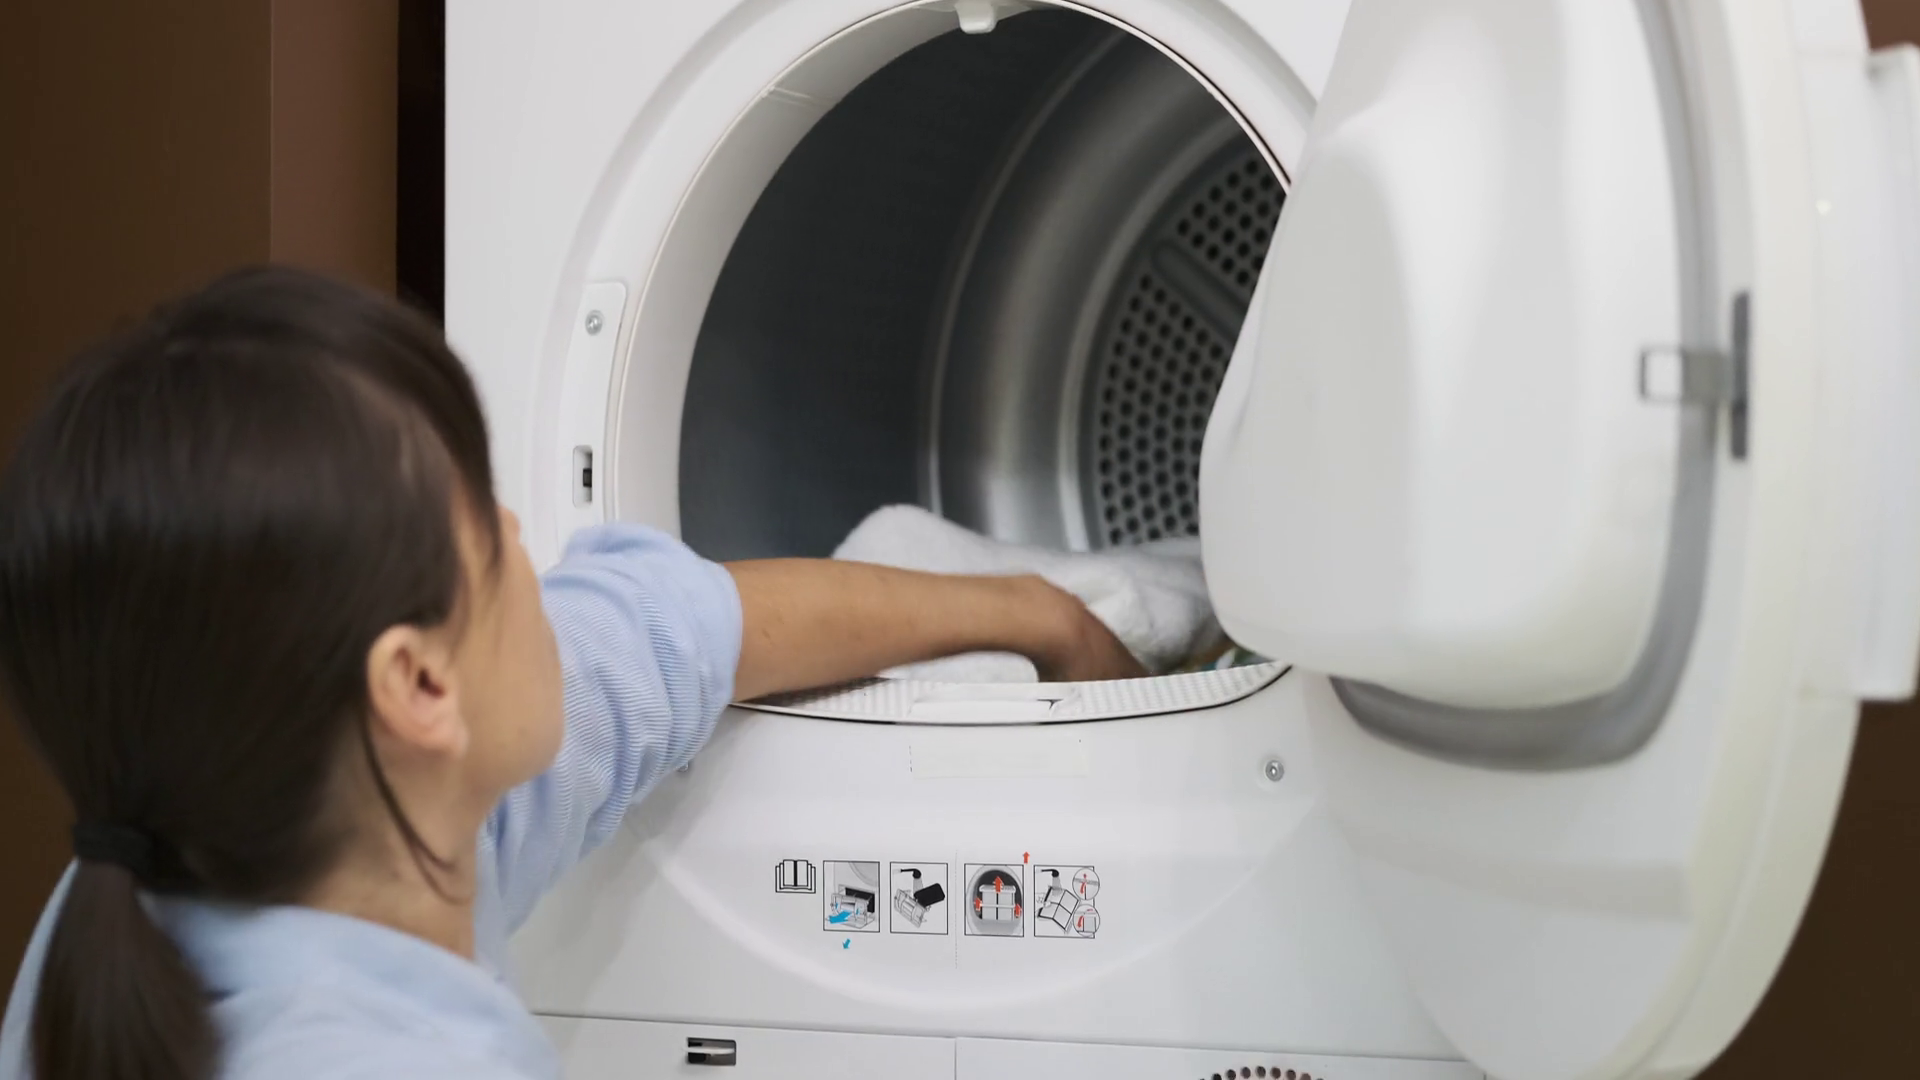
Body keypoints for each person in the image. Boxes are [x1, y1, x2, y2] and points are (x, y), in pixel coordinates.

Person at [0, 267, 1143, 1080]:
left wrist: (1040, 615)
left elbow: (667, 626)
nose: (519, 530)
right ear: (419, 688)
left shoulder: (195, 857)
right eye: (484, 529)